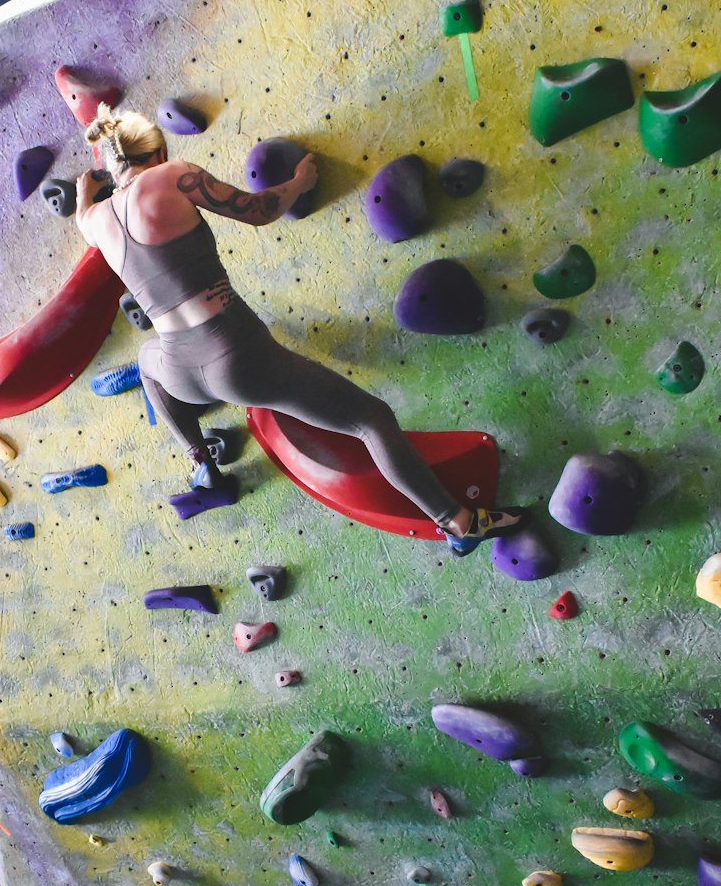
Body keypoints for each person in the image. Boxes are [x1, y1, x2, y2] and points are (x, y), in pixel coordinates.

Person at [75, 104, 519, 555]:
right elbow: (258, 210)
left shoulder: (94, 220)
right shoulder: (174, 175)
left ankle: (201, 465)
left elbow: (82, 215)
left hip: (178, 368)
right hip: (236, 358)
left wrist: (83, 194)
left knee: (146, 361)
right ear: (159, 148)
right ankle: (458, 523)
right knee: (371, 420)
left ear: (110, 169)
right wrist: (300, 183)